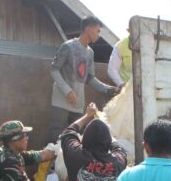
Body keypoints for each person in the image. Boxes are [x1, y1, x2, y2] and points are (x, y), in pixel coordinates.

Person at [48, 15, 120, 143]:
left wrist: (107, 89)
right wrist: (67, 91)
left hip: (78, 102)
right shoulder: (68, 46)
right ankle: (50, 163)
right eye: (97, 30)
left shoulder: (90, 52)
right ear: (88, 28)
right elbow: (54, 69)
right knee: (56, 133)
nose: (98, 34)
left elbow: (89, 78)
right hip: (61, 99)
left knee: (77, 135)